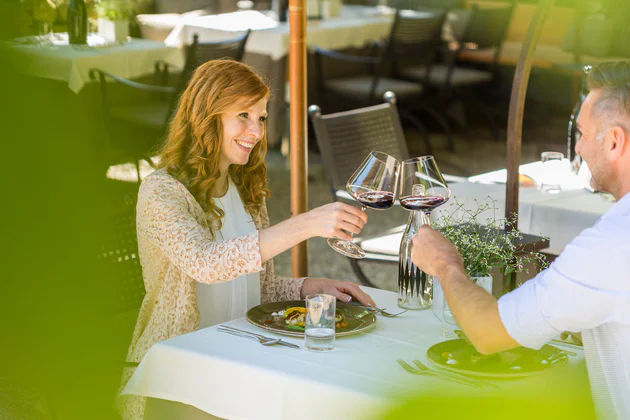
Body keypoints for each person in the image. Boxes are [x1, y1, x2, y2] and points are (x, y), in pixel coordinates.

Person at [117, 59, 375, 420]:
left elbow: (257, 290)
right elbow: (207, 263)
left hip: (243, 362)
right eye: (243, 115)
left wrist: (310, 287)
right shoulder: (161, 191)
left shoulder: (245, 187)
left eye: (262, 117)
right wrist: (306, 224)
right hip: (177, 378)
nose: (255, 131)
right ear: (208, 116)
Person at [411, 60, 630, 419]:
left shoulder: (610, 246)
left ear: (615, 142)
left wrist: (445, 264)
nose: (579, 149)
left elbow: (487, 332)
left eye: (583, 134)